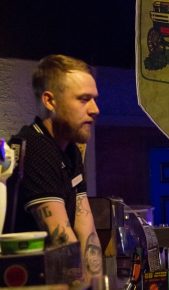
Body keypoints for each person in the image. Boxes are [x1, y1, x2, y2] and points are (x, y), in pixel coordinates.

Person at [6, 54, 102, 284]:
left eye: (95, 99)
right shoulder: (34, 148)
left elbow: (86, 229)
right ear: (50, 101)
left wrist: (98, 283)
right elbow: (62, 241)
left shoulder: (69, 150)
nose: (95, 109)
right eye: (83, 99)